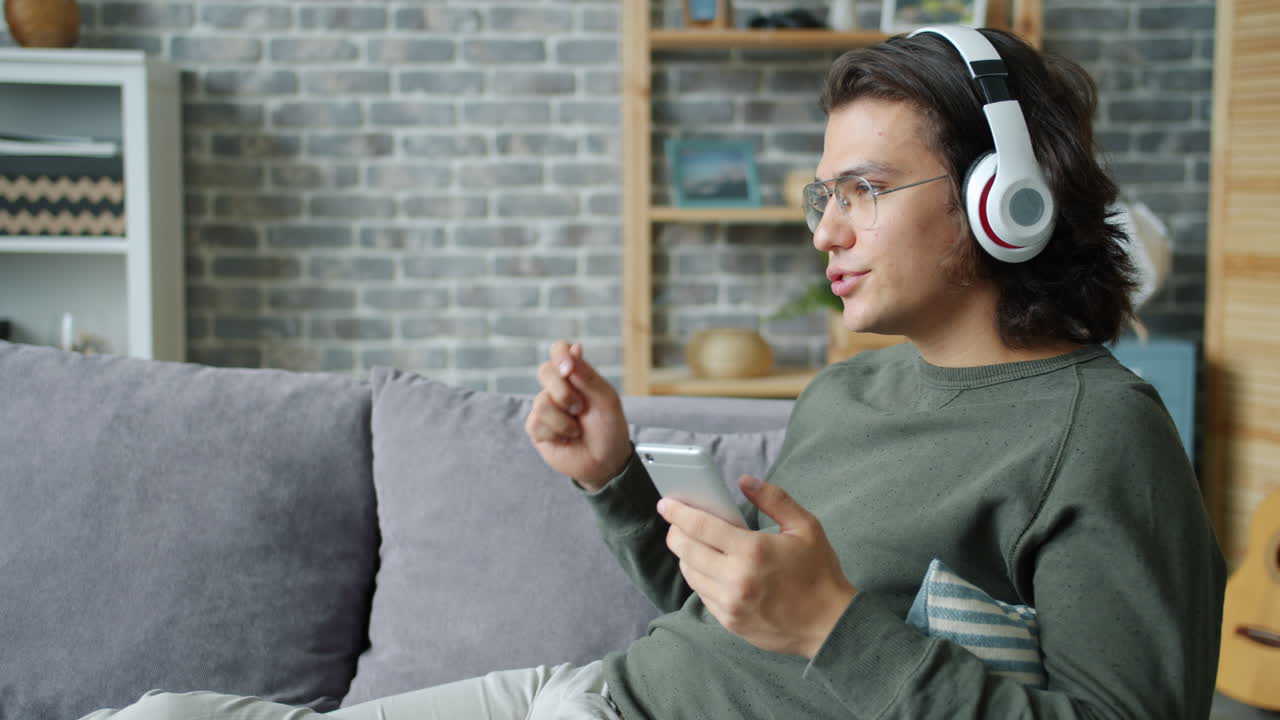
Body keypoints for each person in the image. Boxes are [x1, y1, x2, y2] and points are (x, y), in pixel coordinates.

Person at [82, 26, 1225, 720]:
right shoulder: (846, 392)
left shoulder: (1096, 436)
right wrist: (614, 481)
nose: (824, 229)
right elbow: (738, 622)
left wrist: (836, 625)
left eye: (864, 191)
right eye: (819, 195)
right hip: (589, 689)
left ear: (1003, 199)